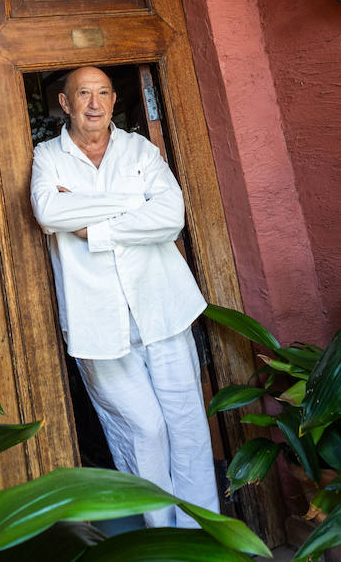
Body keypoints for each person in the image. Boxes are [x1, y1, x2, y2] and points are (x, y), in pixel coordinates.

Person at [29, 65, 220, 528]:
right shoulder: (47, 157)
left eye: (102, 93)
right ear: (65, 103)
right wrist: (133, 202)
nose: (93, 103)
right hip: (97, 320)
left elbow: (170, 217)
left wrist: (91, 227)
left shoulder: (141, 150)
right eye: (82, 94)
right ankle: (162, 538)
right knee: (145, 431)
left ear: (114, 101)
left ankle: (202, 536)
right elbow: (48, 210)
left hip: (163, 309)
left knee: (187, 426)